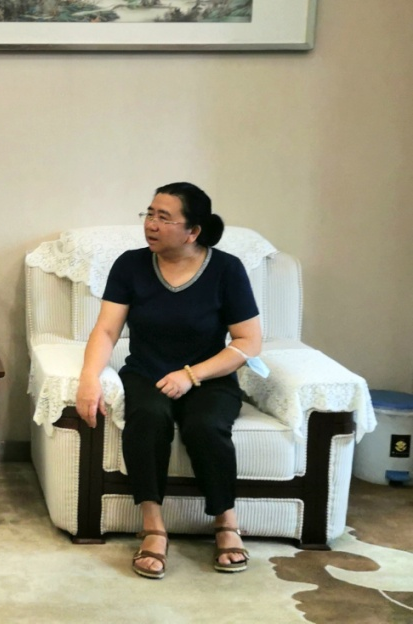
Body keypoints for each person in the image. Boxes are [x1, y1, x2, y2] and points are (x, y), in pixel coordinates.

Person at [75, 182, 261, 580]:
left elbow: (249, 341)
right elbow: (106, 330)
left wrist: (192, 375)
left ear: (193, 231)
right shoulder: (130, 265)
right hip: (146, 373)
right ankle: (153, 527)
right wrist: (89, 377)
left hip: (210, 376)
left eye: (164, 217)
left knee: (206, 425)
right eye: (149, 214)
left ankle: (226, 521)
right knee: (147, 417)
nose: (151, 224)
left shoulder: (226, 269)